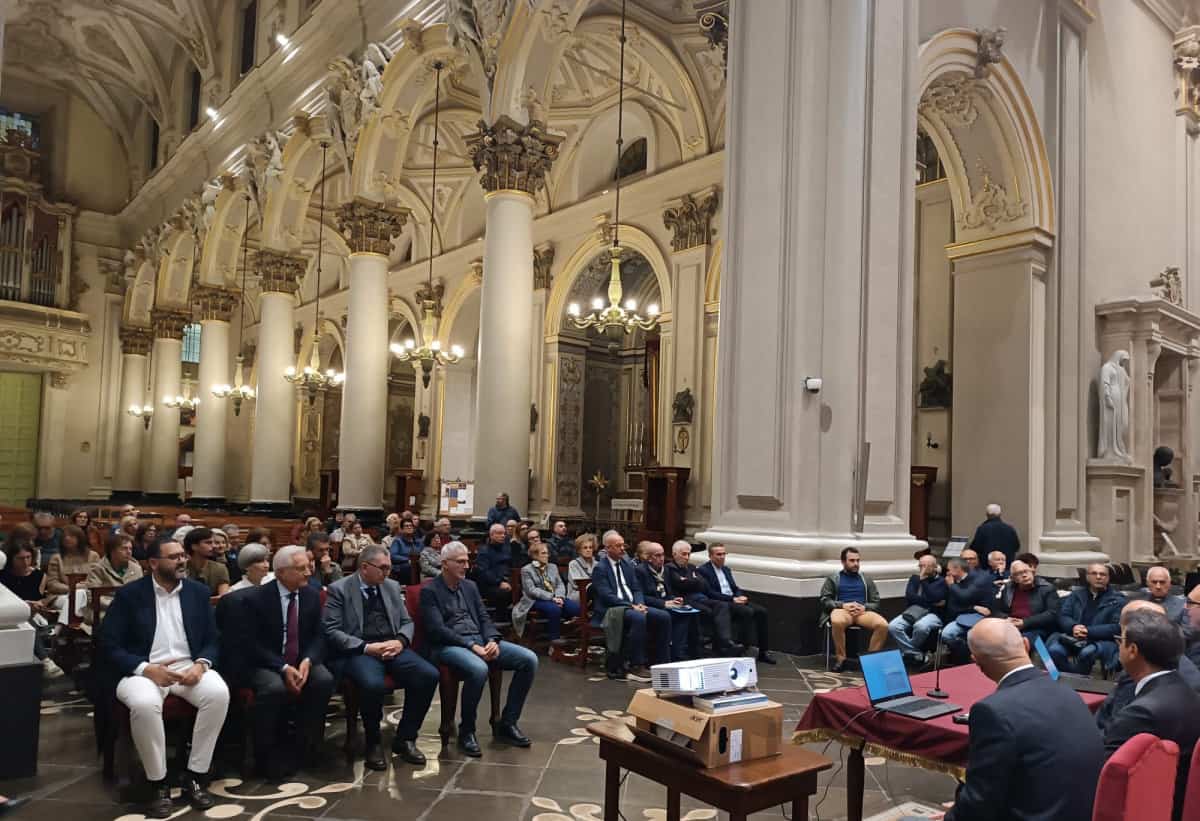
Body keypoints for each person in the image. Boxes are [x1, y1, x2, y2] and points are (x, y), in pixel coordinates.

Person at [98, 539, 228, 818]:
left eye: (183, 555)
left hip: (187, 665)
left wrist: (201, 664)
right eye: (174, 557)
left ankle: (195, 775)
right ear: (154, 563)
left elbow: (213, 639)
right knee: (145, 704)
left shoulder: (197, 592)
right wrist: (146, 669)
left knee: (218, 694)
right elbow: (108, 644)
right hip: (142, 668)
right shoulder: (130, 595)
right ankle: (158, 783)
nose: (182, 561)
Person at [941, 619, 1103, 821]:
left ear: (977, 662)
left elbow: (979, 803)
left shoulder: (992, 711)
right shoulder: (1069, 693)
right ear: (1026, 645)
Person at [323, 544, 438, 770]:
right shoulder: (340, 589)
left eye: (389, 568)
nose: (388, 573)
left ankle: (406, 737)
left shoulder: (391, 586)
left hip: (392, 645)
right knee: (373, 684)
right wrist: (366, 647)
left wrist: (400, 641)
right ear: (365, 567)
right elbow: (332, 631)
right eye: (383, 568)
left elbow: (406, 621)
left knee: (428, 675)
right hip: (360, 649)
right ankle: (373, 742)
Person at [421, 542, 538, 756]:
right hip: (449, 645)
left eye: (467, 561)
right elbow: (437, 630)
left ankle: (508, 723)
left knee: (529, 659)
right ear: (445, 564)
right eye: (460, 562)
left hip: (480, 640)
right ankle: (467, 731)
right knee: (479, 669)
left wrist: (492, 639)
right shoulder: (430, 590)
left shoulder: (470, 586)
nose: (466, 566)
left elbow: (484, 618)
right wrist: (472, 646)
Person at [243, 546, 335, 778]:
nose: (308, 572)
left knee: (323, 680)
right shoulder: (256, 598)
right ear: (281, 572)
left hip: (301, 658)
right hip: (266, 661)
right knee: (274, 688)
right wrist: (282, 667)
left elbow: (319, 635)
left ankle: (308, 747)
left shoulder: (311, 595)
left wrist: (308, 660)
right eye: (301, 568)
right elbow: (250, 643)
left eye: (308, 567)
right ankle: (266, 755)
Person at [1101, 609, 1200, 821]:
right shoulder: (1188, 693)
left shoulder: (1140, 714)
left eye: (1121, 640)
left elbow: (1106, 780)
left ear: (1133, 650)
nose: (1118, 645)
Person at [590, 530, 670, 681]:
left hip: (633, 606)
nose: (623, 548)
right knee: (638, 618)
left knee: (663, 616)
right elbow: (607, 596)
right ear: (607, 548)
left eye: (623, 545)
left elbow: (636, 588)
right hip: (613, 609)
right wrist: (631, 606)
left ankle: (660, 662)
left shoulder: (627, 565)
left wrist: (639, 603)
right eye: (618, 546)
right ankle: (636, 664)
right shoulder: (600, 568)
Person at [697, 545, 775, 663]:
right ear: (710, 556)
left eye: (724, 554)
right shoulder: (703, 570)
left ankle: (763, 652)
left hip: (734, 600)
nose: (722, 557)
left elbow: (734, 587)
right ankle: (742, 648)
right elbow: (710, 593)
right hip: (722, 603)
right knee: (747, 612)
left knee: (762, 612)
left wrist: (739, 596)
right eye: (718, 554)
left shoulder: (726, 569)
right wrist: (732, 599)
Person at [664, 541, 741, 656]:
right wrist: (694, 580)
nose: (687, 557)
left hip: (701, 597)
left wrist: (689, 581)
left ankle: (726, 642)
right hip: (685, 600)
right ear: (675, 554)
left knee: (722, 605)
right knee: (708, 611)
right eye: (684, 554)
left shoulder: (691, 567)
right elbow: (679, 584)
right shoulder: (670, 568)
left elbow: (704, 585)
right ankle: (704, 649)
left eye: (688, 554)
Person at [1047, 563, 1125, 675]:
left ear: (1108, 578)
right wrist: (1073, 627)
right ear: (1087, 577)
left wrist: (1087, 631)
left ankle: (1078, 679)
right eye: (1094, 573)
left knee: (1086, 653)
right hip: (1072, 637)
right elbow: (1063, 616)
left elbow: (1116, 627)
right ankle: (1071, 678)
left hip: (1101, 641)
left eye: (1102, 574)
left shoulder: (1118, 600)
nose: (1098, 577)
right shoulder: (1076, 595)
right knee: (1055, 651)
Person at [819, 547, 887, 672]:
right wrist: (842, 605)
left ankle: (871, 661)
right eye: (852, 560)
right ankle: (841, 659)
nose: (856, 563)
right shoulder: (833, 578)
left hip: (862, 612)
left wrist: (864, 607)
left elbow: (876, 602)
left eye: (858, 560)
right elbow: (825, 600)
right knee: (837, 621)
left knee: (882, 625)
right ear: (843, 562)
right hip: (842, 610)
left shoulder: (866, 579)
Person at [0, 542, 63, 678]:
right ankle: (45, 660)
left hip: (36, 613)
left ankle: (45, 661)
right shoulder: (3, 575)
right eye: (20, 558)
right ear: (11, 558)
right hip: (13, 613)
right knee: (23, 619)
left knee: (27, 619)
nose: (25, 562)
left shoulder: (39, 575)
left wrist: (38, 604)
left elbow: (43, 598)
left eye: (28, 557)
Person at [634, 542, 698, 661]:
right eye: (657, 555)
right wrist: (663, 603)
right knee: (666, 616)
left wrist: (674, 599)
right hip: (650, 605)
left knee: (687, 613)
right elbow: (641, 596)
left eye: (663, 555)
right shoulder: (640, 571)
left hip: (665, 603)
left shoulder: (665, 570)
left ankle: (679, 653)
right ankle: (663, 658)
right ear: (649, 558)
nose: (661, 558)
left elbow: (667, 593)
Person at [512, 541, 580, 640]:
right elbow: (531, 590)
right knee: (554, 609)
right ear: (535, 555)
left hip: (556, 597)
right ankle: (554, 640)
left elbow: (560, 584)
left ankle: (571, 637)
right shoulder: (526, 570)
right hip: (534, 600)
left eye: (547, 553)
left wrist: (559, 597)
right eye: (543, 553)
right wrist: (552, 597)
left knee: (576, 608)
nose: (547, 555)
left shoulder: (553, 567)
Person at [888, 554, 946, 666]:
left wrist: (923, 581)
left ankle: (908, 653)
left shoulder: (941, 582)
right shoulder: (914, 579)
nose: (921, 569)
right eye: (920, 566)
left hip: (934, 613)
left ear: (934, 567)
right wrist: (930, 601)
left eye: (925, 566)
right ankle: (916, 654)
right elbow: (910, 597)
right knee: (893, 626)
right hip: (914, 611)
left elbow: (935, 597)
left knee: (920, 627)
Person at [940, 556, 995, 661]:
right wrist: (974, 607)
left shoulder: (977, 579)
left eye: (949, 570)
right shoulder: (952, 581)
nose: (947, 573)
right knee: (946, 634)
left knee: (950, 634)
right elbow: (953, 606)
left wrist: (952, 586)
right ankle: (966, 655)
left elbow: (964, 597)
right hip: (958, 615)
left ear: (957, 569)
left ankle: (969, 656)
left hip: (977, 616)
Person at [993, 559, 1060, 641]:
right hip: (1011, 626)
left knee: (1019, 641)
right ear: (1013, 578)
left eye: (1026, 571)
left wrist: (1025, 622)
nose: (1024, 575)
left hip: (1036, 627)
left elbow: (1052, 614)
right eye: (1019, 573)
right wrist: (1006, 618)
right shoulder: (1008, 588)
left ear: (1032, 572)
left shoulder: (1046, 588)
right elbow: (996, 610)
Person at [87, 532, 144, 621]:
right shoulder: (98, 568)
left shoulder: (136, 568)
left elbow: (142, 595)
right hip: (105, 611)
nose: (129, 552)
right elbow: (92, 597)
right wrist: (117, 604)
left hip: (131, 611)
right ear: (112, 551)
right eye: (124, 548)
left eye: (130, 549)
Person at [43, 524, 100, 595]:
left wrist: (85, 586)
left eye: (71, 536)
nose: (67, 538)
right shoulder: (56, 558)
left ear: (80, 538)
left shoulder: (93, 556)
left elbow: (97, 579)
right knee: (78, 594)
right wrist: (73, 588)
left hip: (88, 593)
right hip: (63, 594)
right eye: (64, 536)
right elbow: (52, 584)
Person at [474, 524, 515, 613]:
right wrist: (499, 582)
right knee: (504, 594)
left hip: (507, 580)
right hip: (491, 585)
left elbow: (511, 565)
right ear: (491, 535)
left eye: (504, 533)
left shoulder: (506, 549)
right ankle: (500, 617)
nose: (503, 536)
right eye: (499, 533)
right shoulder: (484, 551)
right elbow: (484, 572)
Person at [183, 528, 230, 596]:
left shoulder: (220, 568)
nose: (214, 546)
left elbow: (223, 597)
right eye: (208, 543)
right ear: (194, 546)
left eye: (213, 542)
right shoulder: (182, 567)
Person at [567, 534, 597, 603]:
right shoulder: (573, 564)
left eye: (590, 547)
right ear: (579, 550)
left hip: (595, 593)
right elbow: (577, 585)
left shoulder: (597, 564)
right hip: (577, 594)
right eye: (585, 548)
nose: (588, 550)